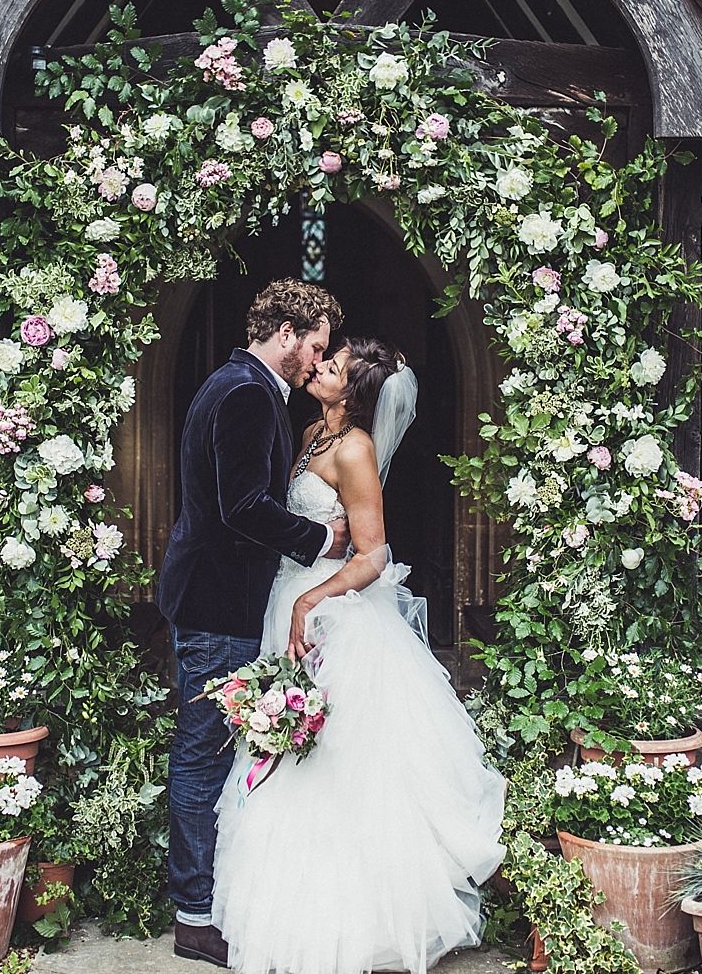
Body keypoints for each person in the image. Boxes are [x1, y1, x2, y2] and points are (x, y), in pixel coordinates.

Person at [212, 337, 507, 974]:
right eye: (326, 359)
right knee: (285, 755)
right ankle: (285, 903)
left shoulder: (356, 449)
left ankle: (351, 923)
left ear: (354, 392)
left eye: (333, 366)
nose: (318, 366)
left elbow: (373, 556)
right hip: (291, 599)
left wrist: (309, 600)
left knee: (337, 762)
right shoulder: (314, 430)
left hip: (334, 618)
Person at [157, 279, 350, 967]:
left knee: (213, 750)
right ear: (288, 333)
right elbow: (242, 507)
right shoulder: (246, 394)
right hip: (217, 605)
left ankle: (210, 899)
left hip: (222, 602)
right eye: (315, 348)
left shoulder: (243, 384)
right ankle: (194, 915)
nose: (316, 364)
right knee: (204, 754)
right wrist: (320, 541)